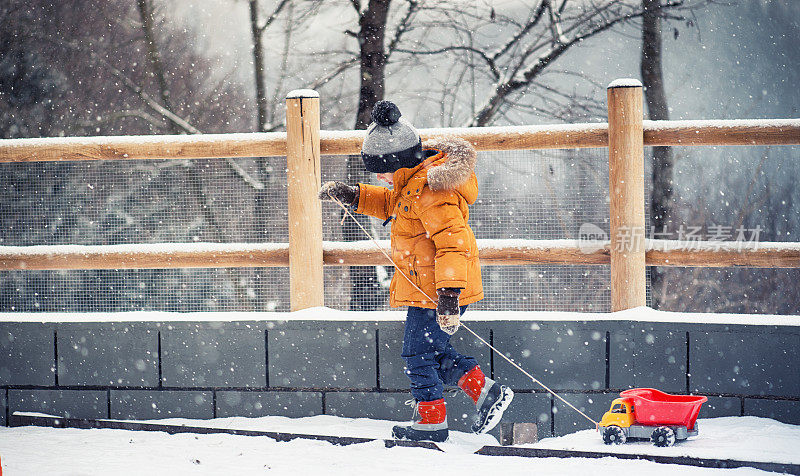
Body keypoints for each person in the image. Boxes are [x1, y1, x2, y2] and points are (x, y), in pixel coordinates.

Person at [318, 101, 513, 442]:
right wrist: (353, 195)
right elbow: (392, 204)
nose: (378, 177)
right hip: (428, 289)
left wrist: (449, 295)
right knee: (431, 353)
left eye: (380, 171)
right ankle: (484, 393)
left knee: (416, 354)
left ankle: (433, 422)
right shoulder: (410, 185)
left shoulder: (432, 193)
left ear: (397, 162)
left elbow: (454, 244)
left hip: (440, 292)